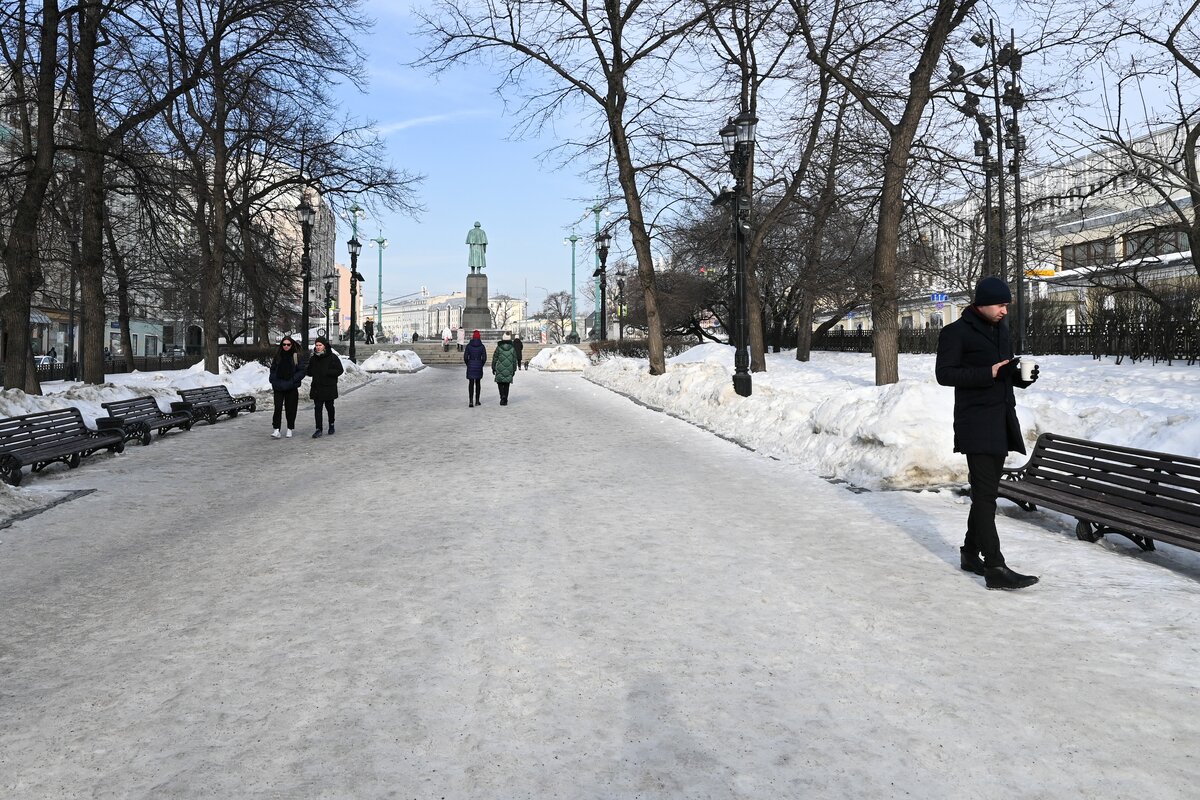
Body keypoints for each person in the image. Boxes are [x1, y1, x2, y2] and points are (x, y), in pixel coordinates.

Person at [935, 276, 1041, 590]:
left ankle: (970, 553)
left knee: (986, 494)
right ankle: (994, 565)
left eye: (1007, 305)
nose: (1005, 311)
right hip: (975, 422)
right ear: (981, 304)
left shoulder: (1001, 330)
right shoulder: (955, 333)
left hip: (1001, 419)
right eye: (1000, 304)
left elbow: (1004, 373)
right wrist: (989, 372)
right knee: (985, 496)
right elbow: (945, 374)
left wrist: (1021, 378)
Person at [268, 335, 307, 439]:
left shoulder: (296, 356)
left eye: (288, 344)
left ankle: (290, 428)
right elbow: (273, 369)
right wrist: (273, 379)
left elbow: (302, 370)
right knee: (277, 408)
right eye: (284, 344)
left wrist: (293, 380)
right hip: (278, 386)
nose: (286, 346)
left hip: (291, 386)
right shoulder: (278, 355)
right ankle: (276, 429)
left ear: (292, 345)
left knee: (291, 408)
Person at [306, 336, 344, 438]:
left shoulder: (332, 357)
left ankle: (331, 424)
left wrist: (328, 372)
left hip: (328, 387)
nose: (318, 347)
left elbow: (340, 370)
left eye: (320, 345)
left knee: (329, 407)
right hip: (317, 387)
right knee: (317, 408)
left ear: (324, 346)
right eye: (316, 345)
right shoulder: (313, 358)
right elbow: (309, 371)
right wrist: (309, 371)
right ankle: (318, 429)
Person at [492, 332, 519, 406]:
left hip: (500, 368)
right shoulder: (512, 348)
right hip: (509, 368)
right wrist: (514, 369)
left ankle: (502, 397)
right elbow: (514, 360)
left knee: (500, 383)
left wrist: (493, 367)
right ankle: (505, 399)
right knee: (507, 384)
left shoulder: (499, 347)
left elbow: (495, 358)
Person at [463, 330, 487, 407]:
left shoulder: (469, 346)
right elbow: (484, 358)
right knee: (478, 383)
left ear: (473, 337)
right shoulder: (482, 346)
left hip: (471, 365)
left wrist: (468, 363)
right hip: (478, 365)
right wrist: (481, 364)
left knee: (471, 383)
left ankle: (470, 401)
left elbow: (465, 357)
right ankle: (477, 401)